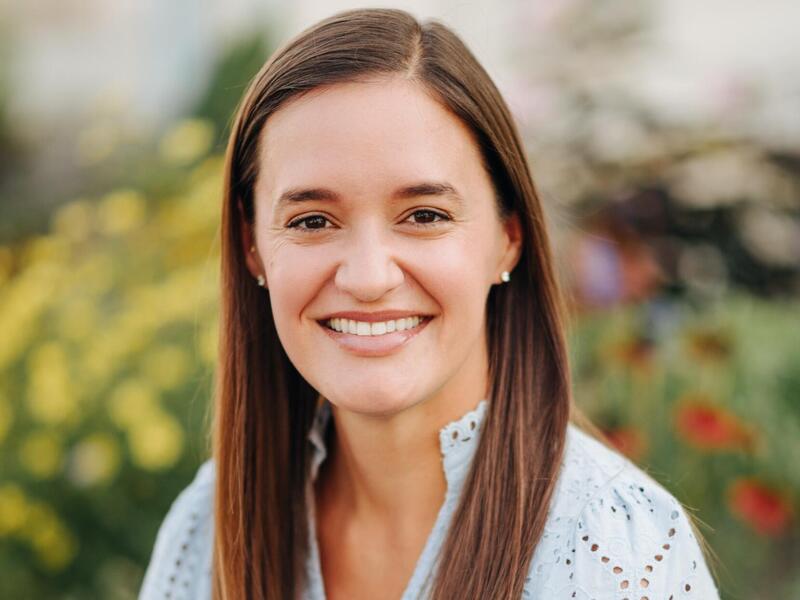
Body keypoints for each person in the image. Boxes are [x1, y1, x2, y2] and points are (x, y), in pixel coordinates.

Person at [138, 8, 720, 600]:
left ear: (508, 236)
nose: (368, 277)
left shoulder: (611, 549)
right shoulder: (208, 528)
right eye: (312, 220)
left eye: (425, 215)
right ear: (252, 246)